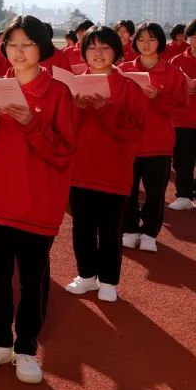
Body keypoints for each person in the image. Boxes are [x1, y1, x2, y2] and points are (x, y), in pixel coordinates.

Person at [0, 15, 76, 385]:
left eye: (27, 43)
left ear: (42, 47)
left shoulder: (58, 93)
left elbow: (63, 152)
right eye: (12, 43)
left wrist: (31, 122)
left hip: (36, 200)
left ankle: (27, 347)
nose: (18, 50)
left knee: (33, 278)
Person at [64, 26, 146, 303]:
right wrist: (76, 107)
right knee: (82, 227)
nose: (97, 53)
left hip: (115, 170)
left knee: (110, 229)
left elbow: (134, 132)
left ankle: (109, 280)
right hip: (80, 169)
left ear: (117, 52)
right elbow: (64, 130)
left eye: (105, 47)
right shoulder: (73, 84)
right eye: (92, 47)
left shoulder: (128, 87)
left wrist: (105, 110)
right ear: (84, 52)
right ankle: (86, 275)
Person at [119, 22, 189, 251]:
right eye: (141, 39)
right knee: (127, 190)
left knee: (155, 194)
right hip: (128, 143)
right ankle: (129, 228)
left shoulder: (172, 72)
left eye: (151, 39)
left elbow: (179, 109)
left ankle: (149, 231)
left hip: (158, 144)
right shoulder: (124, 70)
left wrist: (157, 96)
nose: (145, 44)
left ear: (160, 42)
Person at [168, 16, 196, 212]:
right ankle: (183, 195)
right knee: (183, 159)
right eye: (195, 35)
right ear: (188, 37)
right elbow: (169, 88)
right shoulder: (177, 60)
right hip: (182, 120)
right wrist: (184, 88)